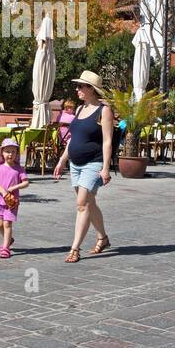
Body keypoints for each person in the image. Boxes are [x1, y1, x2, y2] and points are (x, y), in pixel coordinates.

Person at [53, 71, 114, 263]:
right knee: (89, 203)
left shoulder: (104, 111)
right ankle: (103, 238)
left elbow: (107, 141)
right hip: (75, 164)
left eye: (81, 86)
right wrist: (63, 159)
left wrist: (105, 168)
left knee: (81, 204)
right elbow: (73, 139)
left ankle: (74, 248)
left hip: (93, 163)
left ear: (91, 89)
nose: (77, 89)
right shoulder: (79, 110)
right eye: (77, 86)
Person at [0, 138, 29, 259]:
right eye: (7, 151)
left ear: (17, 154)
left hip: (11, 202)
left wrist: (15, 187)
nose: (10, 154)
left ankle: (5, 248)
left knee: (7, 224)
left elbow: (26, 182)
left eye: (13, 151)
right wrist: (3, 192)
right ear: (2, 152)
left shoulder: (19, 169)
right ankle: (9, 239)